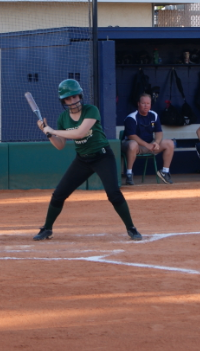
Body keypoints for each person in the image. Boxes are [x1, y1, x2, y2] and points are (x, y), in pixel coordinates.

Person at [33, 79, 142, 241]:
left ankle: (131, 228)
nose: (73, 101)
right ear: (63, 101)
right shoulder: (63, 118)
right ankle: (47, 228)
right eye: (68, 99)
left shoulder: (91, 110)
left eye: (75, 97)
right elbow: (60, 145)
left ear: (80, 96)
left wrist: (53, 130)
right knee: (59, 194)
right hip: (82, 160)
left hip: (102, 156)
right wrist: (48, 133)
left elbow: (79, 133)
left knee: (114, 194)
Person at [123, 94, 175, 185]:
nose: (146, 105)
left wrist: (156, 142)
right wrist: (147, 145)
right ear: (138, 104)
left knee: (169, 143)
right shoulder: (131, 117)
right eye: (143, 103)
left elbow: (159, 132)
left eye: (148, 103)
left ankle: (165, 172)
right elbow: (131, 136)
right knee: (132, 144)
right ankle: (129, 174)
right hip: (135, 146)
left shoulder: (154, 115)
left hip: (150, 145)